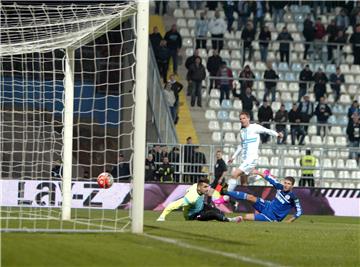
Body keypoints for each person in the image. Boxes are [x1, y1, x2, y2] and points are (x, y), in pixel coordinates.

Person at [217, 112, 283, 194]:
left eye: (244, 118)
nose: (242, 120)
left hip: (251, 158)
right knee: (243, 183)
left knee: (234, 174)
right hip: (245, 159)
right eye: (240, 119)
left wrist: (277, 134)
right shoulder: (242, 131)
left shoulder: (254, 127)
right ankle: (264, 175)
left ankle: (225, 195)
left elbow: (267, 131)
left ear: (248, 118)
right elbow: (241, 145)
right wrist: (233, 156)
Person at [220, 170, 302, 222]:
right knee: (250, 197)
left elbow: (299, 211)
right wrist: (258, 172)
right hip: (267, 205)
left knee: (246, 217)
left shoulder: (293, 197)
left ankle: (230, 220)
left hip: (271, 217)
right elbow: (269, 178)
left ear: (292, 186)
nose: (286, 185)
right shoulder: (279, 187)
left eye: (289, 184)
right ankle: (225, 192)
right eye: (285, 183)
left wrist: (290, 220)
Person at [156, 177, 241, 222]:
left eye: (208, 186)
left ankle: (223, 216)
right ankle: (231, 220)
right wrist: (162, 217)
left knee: (219, 212)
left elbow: (212, 192)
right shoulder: (191, 198)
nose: (207, 189)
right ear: (199, 187)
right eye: (205, 187)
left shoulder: (200, 187)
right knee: (213, 214)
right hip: (193, 216)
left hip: (202, 206)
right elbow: (172, 205)